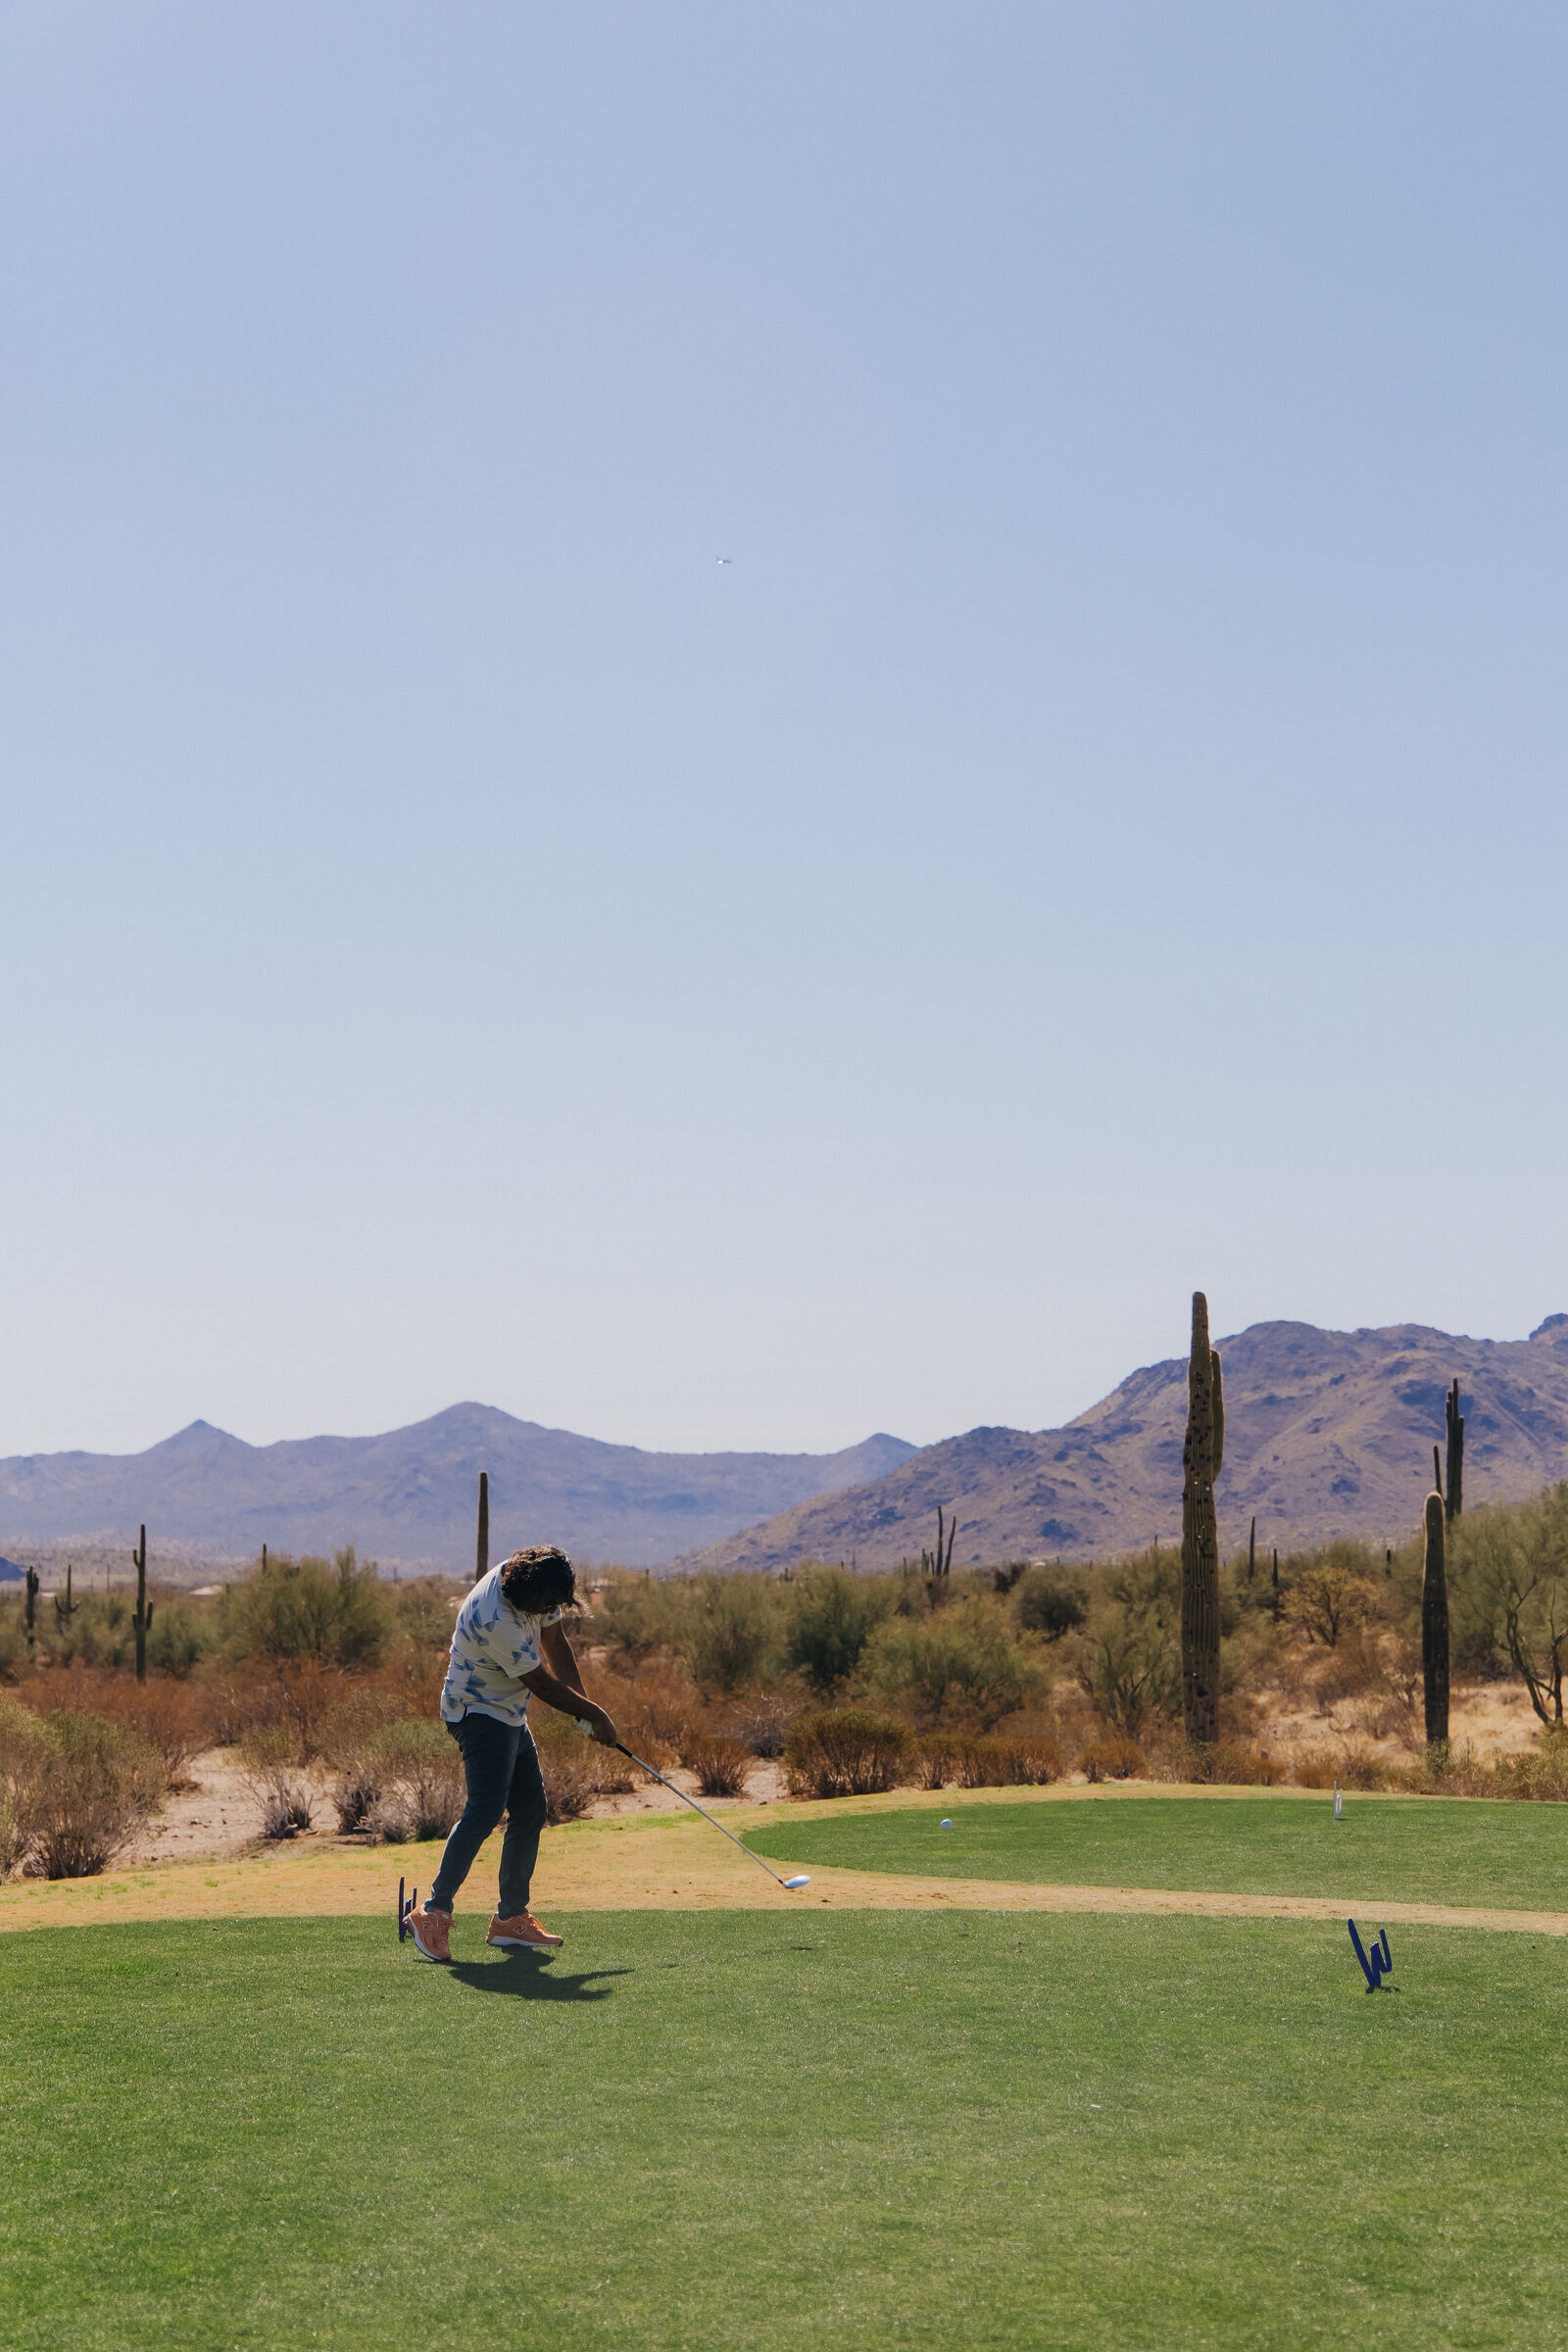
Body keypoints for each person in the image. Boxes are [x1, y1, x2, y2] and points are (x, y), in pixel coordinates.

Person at [404, 1544, 618, 1963]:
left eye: (555, 1603)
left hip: (508, 1714)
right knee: (485, 1810)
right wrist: (595, 1715)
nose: (550, 1609)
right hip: (476, 1712)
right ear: (526, 1594)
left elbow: (555, 1644)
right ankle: (432, 1912)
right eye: (547, 1604)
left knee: (530, 1811)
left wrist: (585, 1710)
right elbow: (540, 1682)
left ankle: (510, 1920)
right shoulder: (496, 1616)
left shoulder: (539, 1583)